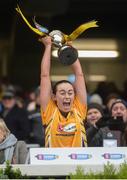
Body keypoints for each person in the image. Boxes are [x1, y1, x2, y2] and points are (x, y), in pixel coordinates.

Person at [39, 36, 87, 147]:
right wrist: (48, 46)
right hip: (53, 164)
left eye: (70, 93)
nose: (67, 96)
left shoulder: (79, 108)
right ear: (54, 97)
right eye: (62, 93)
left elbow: (79, 74)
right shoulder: (49, 110)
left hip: (79, 163)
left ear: (74, 96)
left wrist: (69, 48)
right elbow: (44, 76)